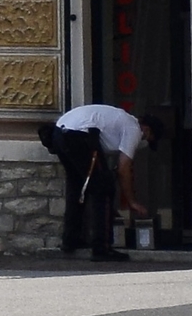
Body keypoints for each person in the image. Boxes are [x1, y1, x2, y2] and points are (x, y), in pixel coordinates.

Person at [41, 103, 160, 262]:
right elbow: (124, 169)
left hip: (60, 133)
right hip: (80, 135)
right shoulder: (134, 129)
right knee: (103, 189)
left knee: (77, 188)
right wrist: (132, 202)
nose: (142, 142)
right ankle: (101, 248)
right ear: (146, 130)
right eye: (147, 139)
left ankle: (70, 240)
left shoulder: (120, 121)